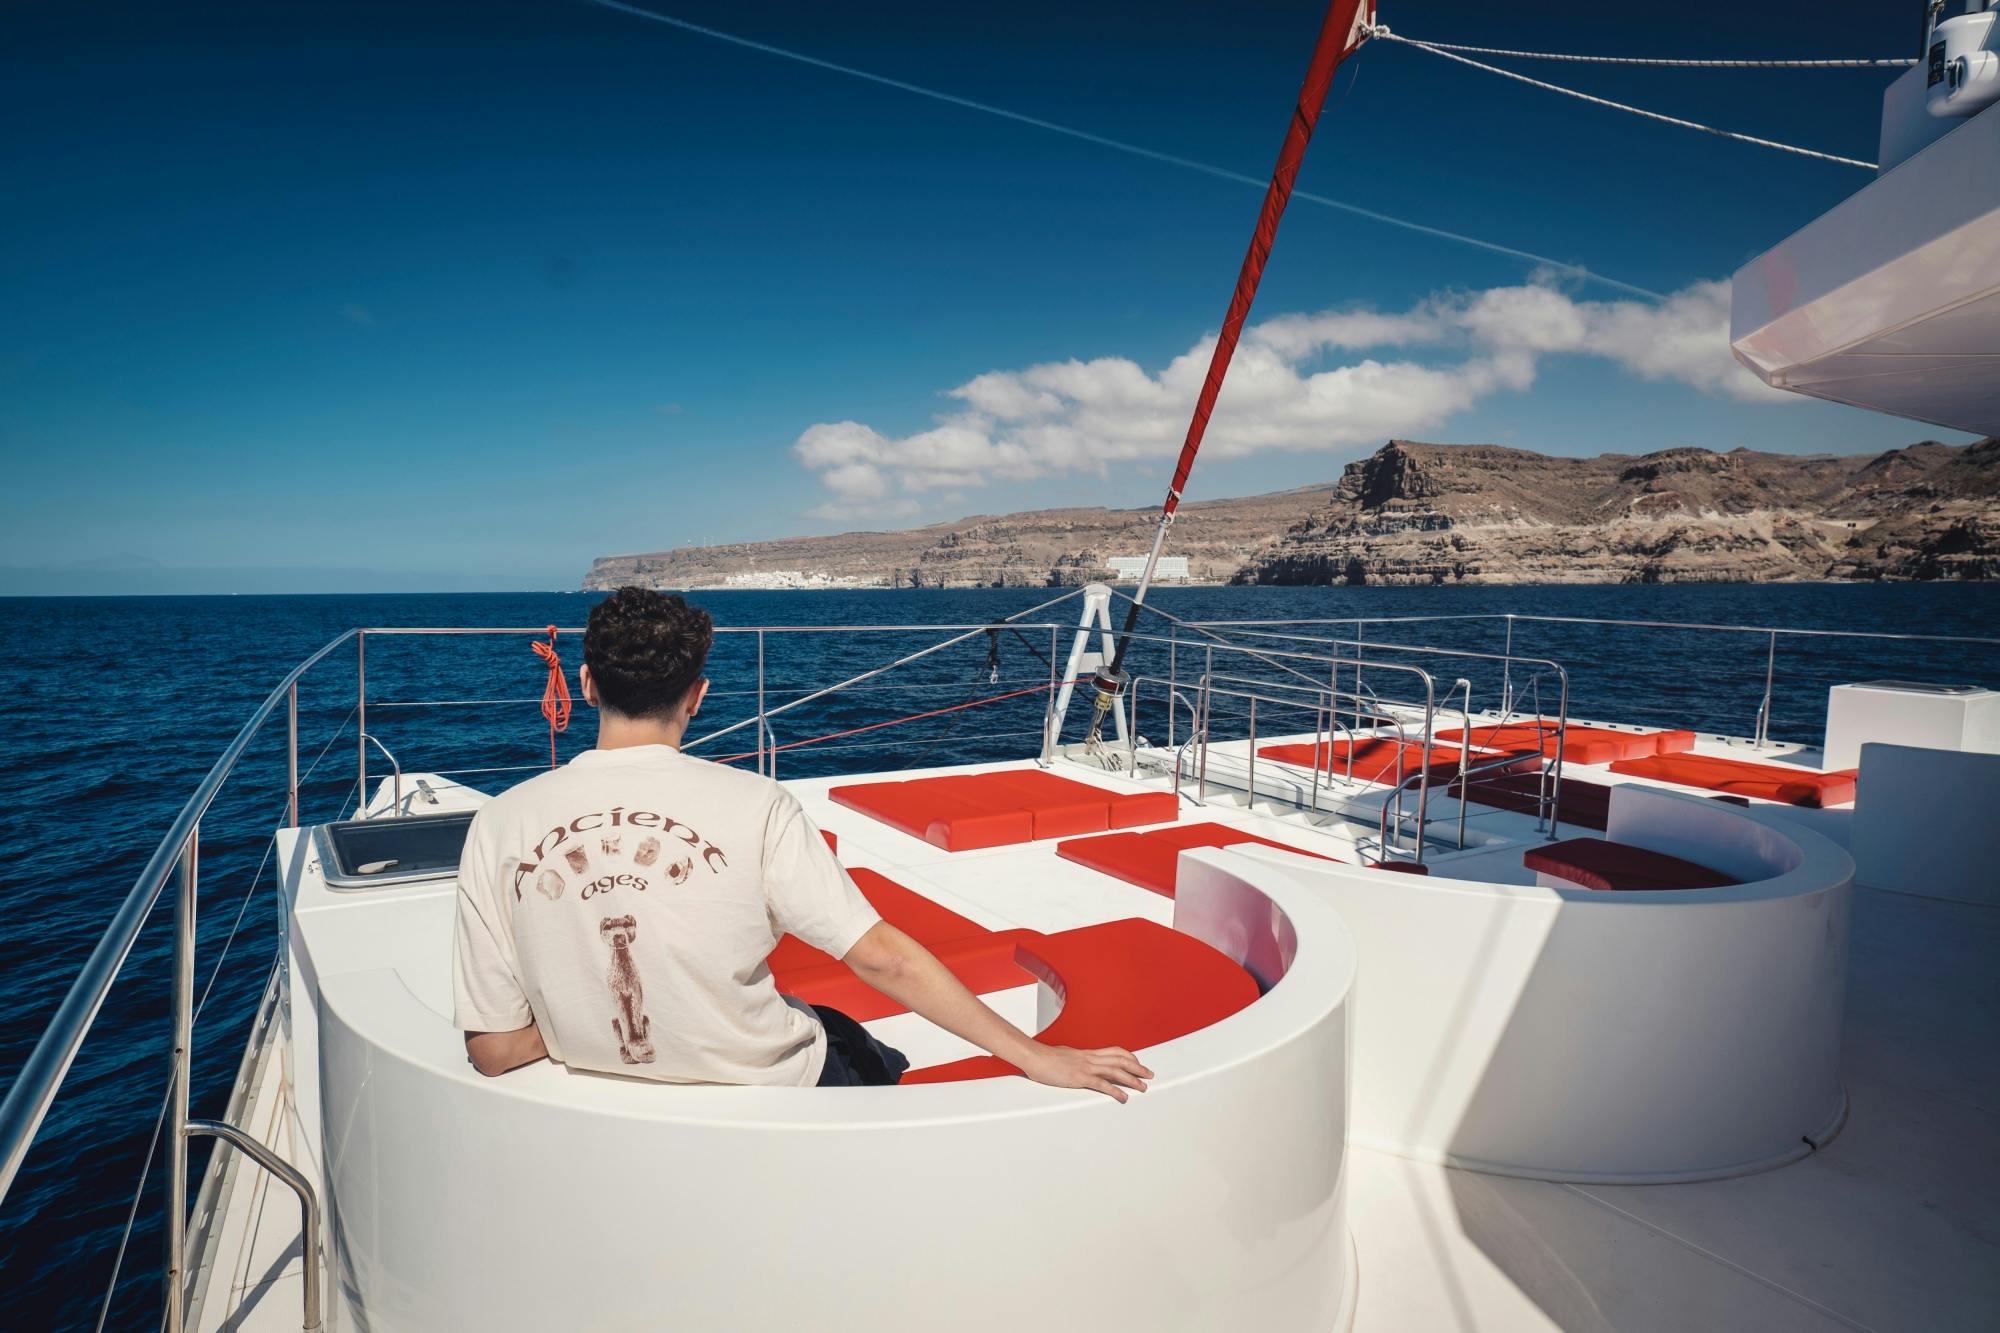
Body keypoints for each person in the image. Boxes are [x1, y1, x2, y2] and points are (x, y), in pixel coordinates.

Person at [453, 586, 1152, 1100]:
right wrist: (1035, 1056)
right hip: (779, 1083)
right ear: (697, 696)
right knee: (857, 1044)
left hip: (602, 1093)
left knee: (841, 1027)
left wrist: (577, 1021)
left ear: (584, 683)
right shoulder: (756, 806)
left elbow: (489, 1050)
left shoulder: (499, 823)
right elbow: (881, 957)